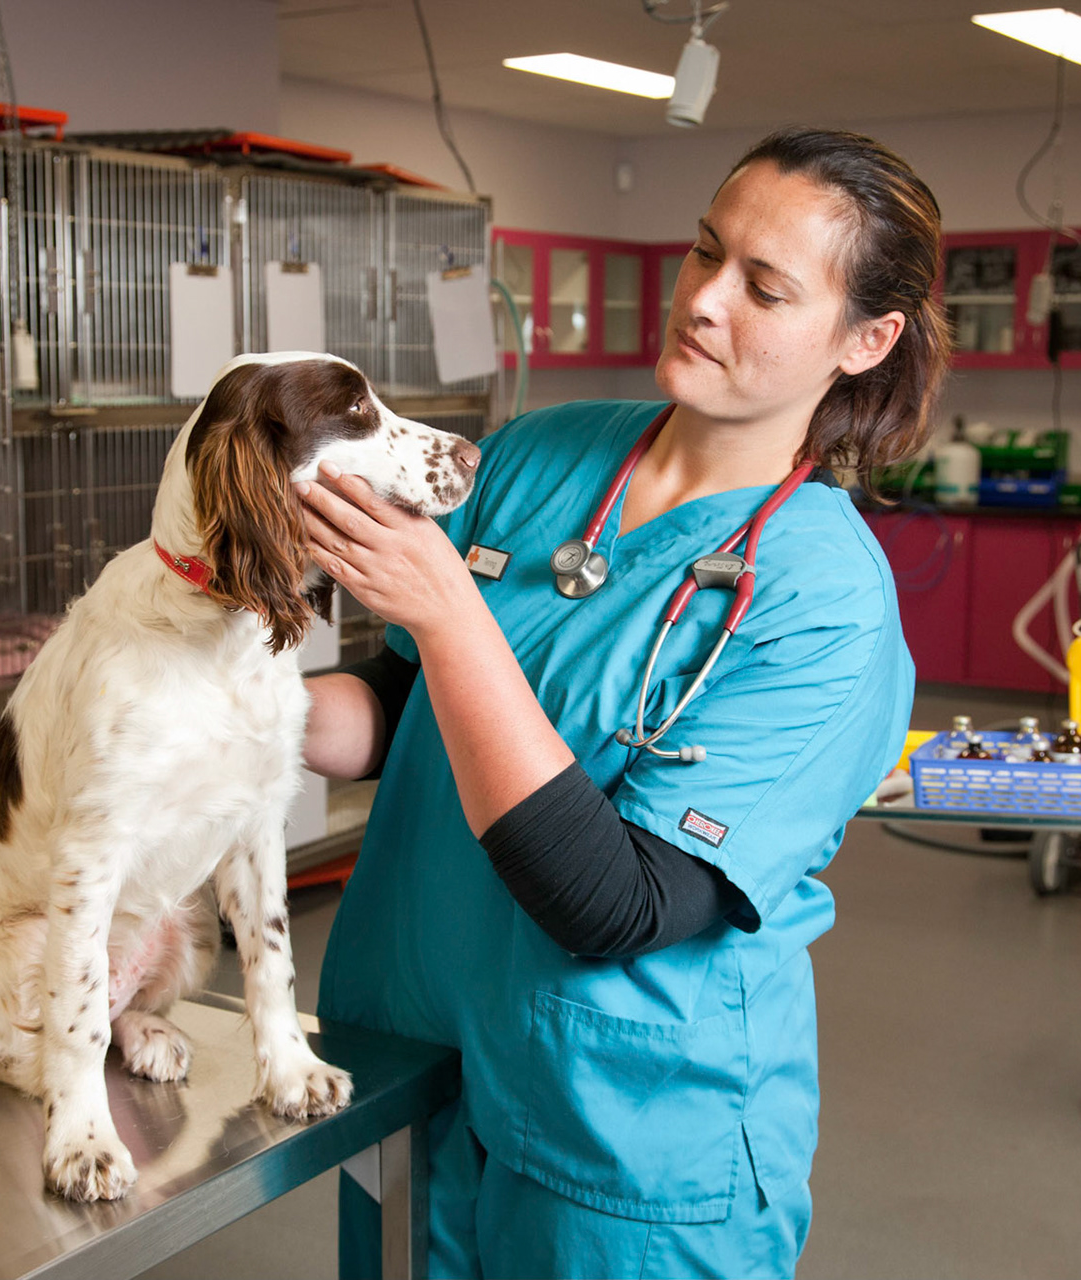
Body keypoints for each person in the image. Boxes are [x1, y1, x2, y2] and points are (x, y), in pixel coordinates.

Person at [297, 127, 949, 1279]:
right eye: (706, 251)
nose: (702, 299)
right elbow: (404, 710)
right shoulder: (540, 454)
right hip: (413, 1057)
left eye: (764, 286)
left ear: (865, 338)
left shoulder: (827, 603)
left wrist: (453, 613)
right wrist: (212, 711)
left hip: (628, 1139)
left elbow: (616, 901)